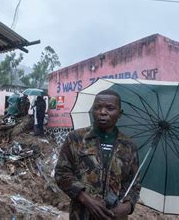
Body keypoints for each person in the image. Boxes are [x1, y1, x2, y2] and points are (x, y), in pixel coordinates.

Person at [55, 89, 140, 220]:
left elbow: (133, 183)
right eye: (97, 107)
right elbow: (62, 173)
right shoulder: (76, 138)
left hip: (114, 216)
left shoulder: (128, 146)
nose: (102, 112)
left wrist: (127, 207)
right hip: (81, 215)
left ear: (120, 114)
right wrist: (86, 199)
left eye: (110, 108)